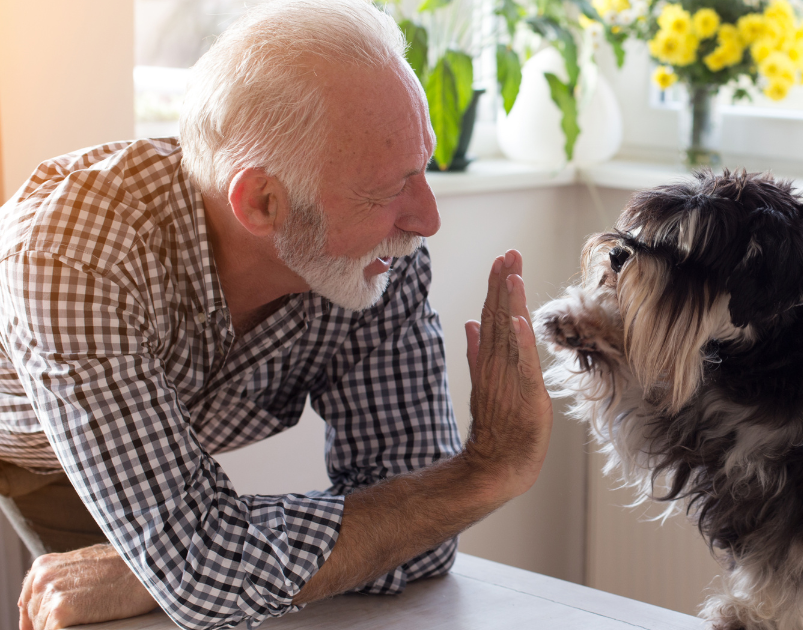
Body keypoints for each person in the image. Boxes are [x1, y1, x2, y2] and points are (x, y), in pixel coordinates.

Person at [0, 1, 554, 629]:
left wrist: (185, 562)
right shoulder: (75, 255)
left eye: (420, 167)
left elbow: (423, 536)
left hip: (148, 446)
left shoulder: (377, 259)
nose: (426, 220)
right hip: (23, 443)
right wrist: (488, 471)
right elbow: (205, 574)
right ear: (262, 202)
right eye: (386, 190)